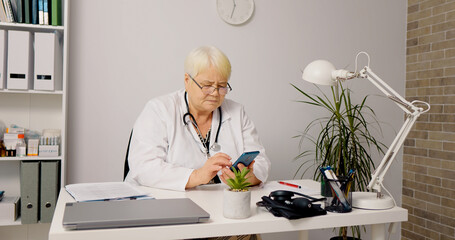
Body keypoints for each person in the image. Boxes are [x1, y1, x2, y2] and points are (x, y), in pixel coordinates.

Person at [125, 46, 270, 191]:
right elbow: (143, 167)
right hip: (161, 202)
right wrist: (197, 176)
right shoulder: (159, 109)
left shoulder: (237, 112)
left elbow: (261, 162)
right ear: (187, 80)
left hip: (219, 201)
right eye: (207, 85)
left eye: (222, 86)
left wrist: (246, 178)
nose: (215, 93)